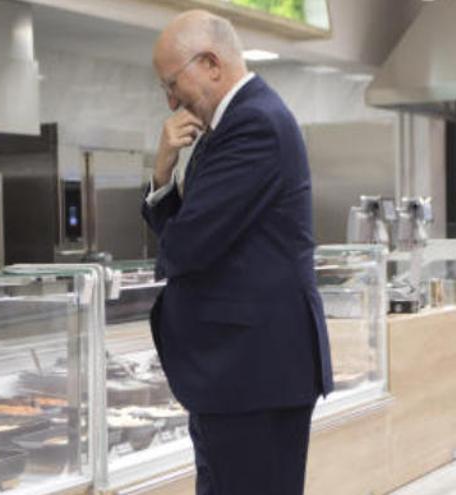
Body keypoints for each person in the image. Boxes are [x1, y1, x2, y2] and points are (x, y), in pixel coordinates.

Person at [142, 10, 334, 495]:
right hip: (238, 374)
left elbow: (185, 246)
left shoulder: (253, 124)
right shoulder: (227, 129)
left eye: (171, 82)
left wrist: (163, 171)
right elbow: (189, 238)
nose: (170, 101)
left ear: (209, 63)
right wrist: (165, 186)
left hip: (253, 373)